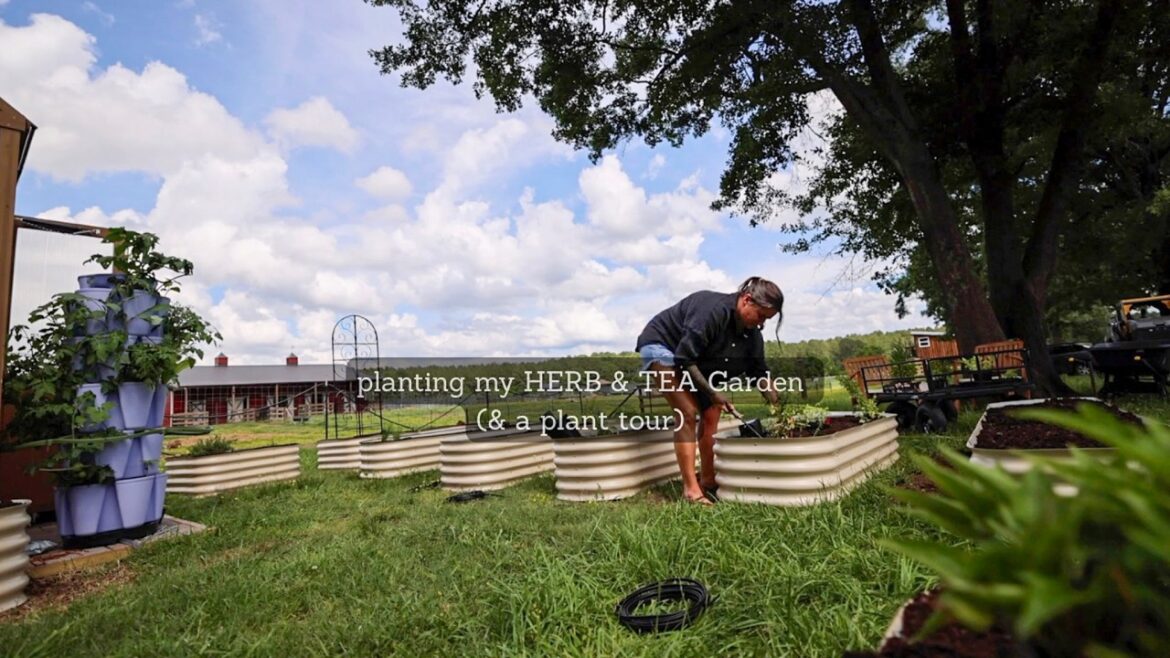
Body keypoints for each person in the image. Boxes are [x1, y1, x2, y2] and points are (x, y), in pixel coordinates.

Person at [636, 276, 783, 505]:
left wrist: (777, 403)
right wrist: (714, 393)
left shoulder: (752, 335)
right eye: (761, 316)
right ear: (747, 300)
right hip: (663, 345)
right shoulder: (711, 311)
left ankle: (708, 479)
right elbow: (685, 357)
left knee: (712, 412)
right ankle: (691, 491)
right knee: (686, 412)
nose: (761, 324)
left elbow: (759, 372)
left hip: (691, 361)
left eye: (767, 320)